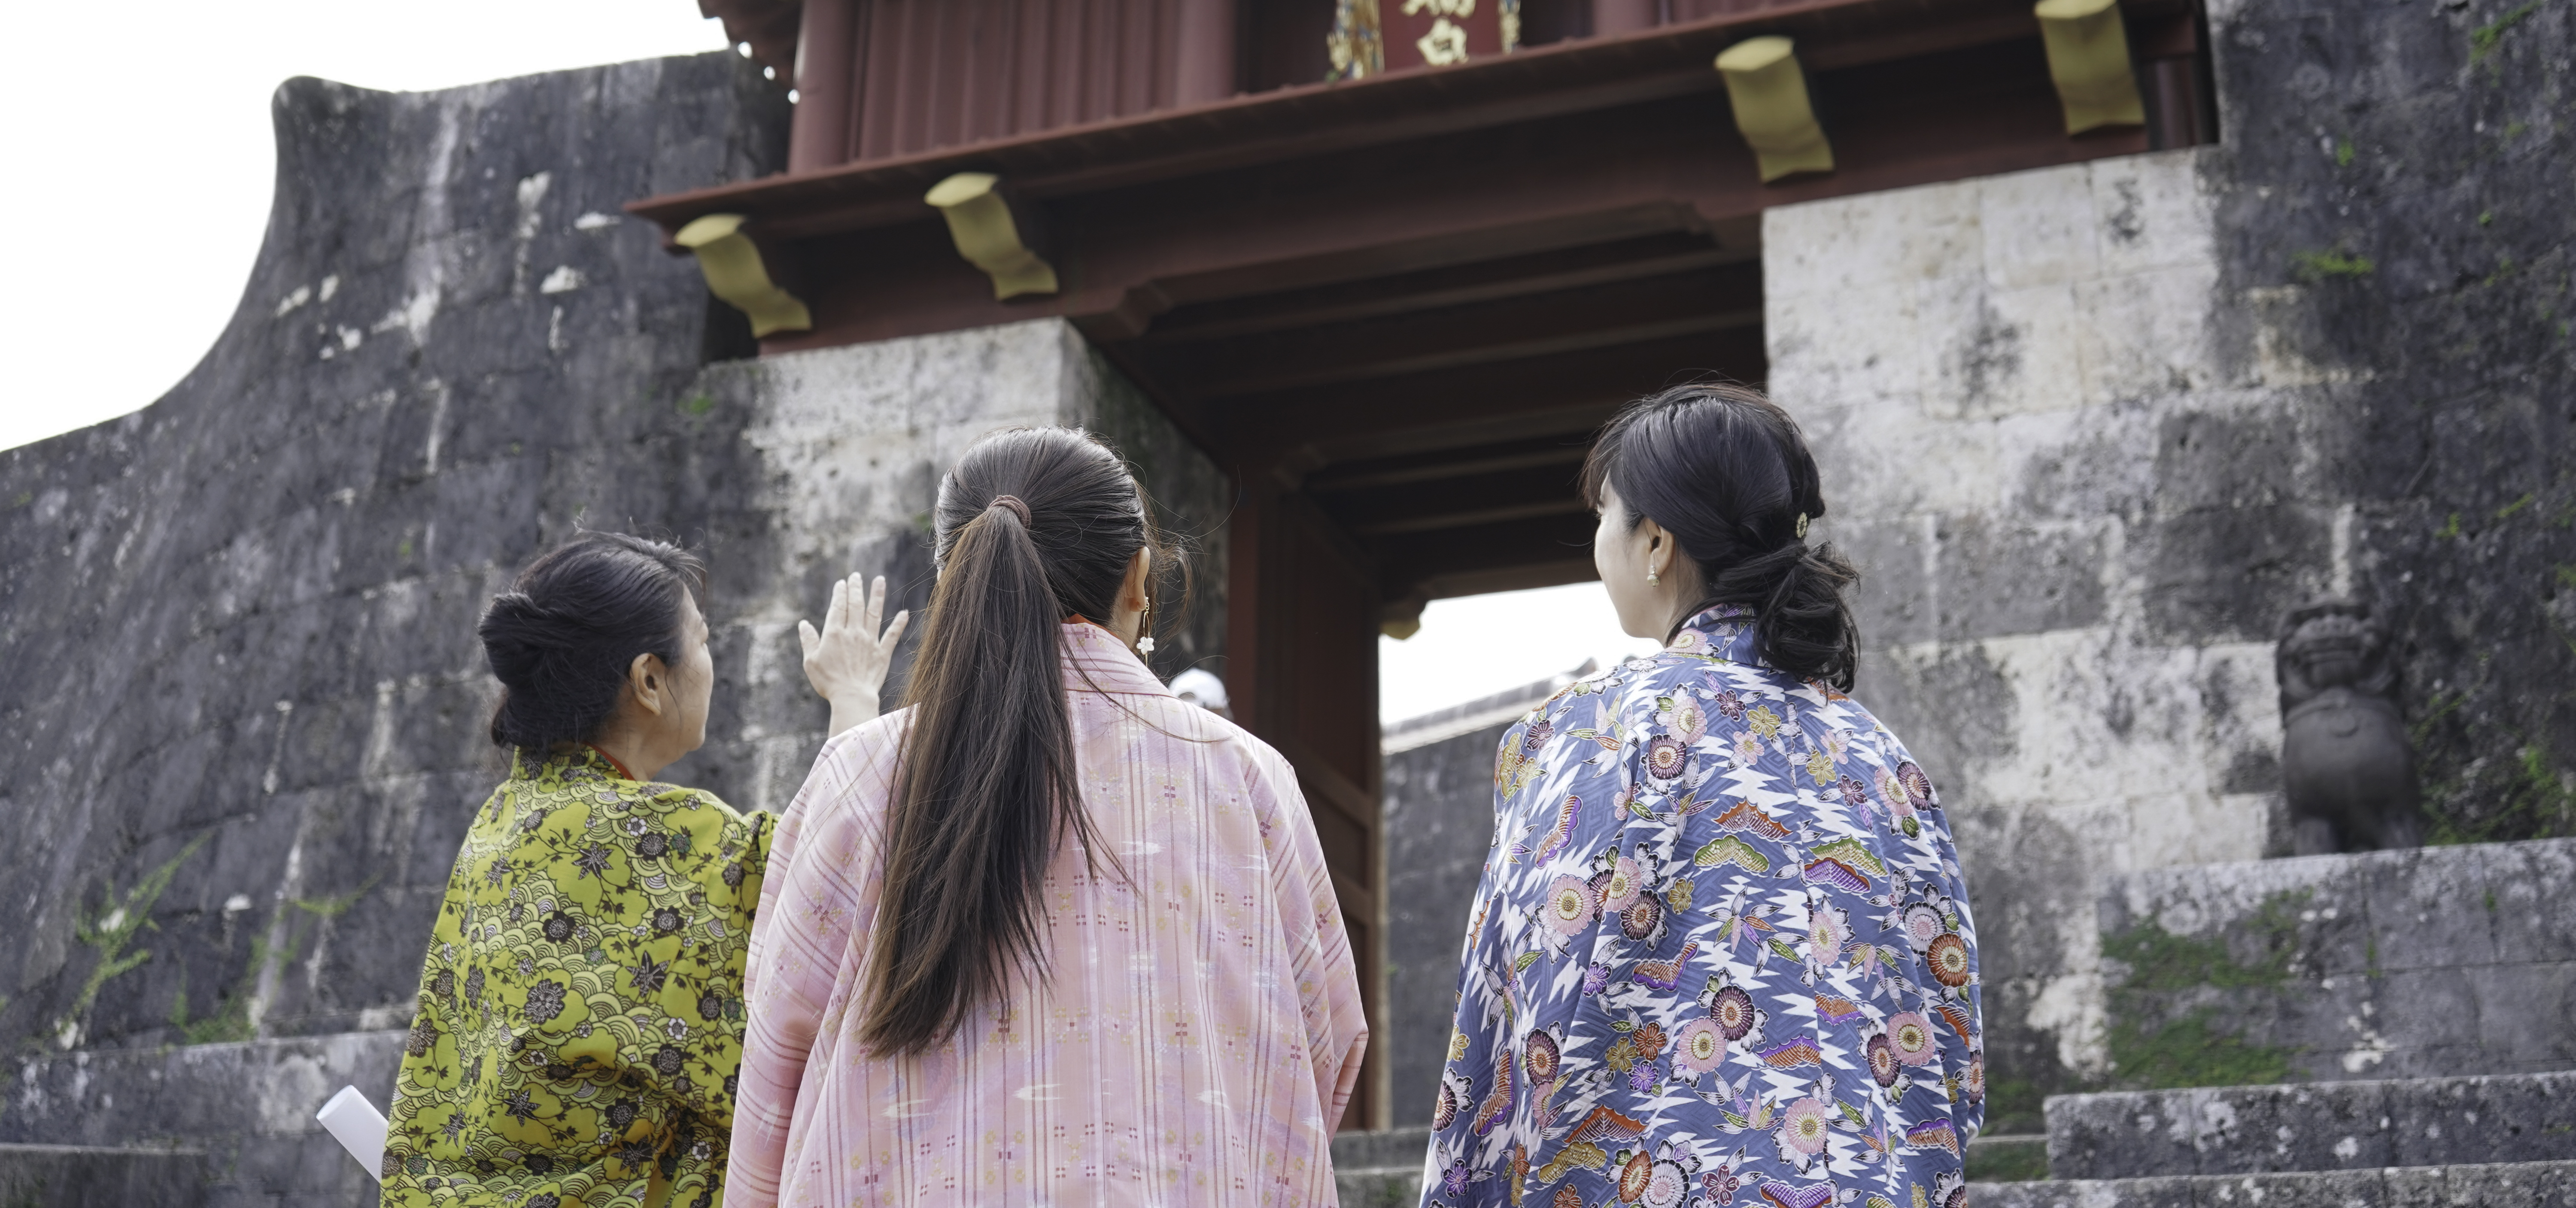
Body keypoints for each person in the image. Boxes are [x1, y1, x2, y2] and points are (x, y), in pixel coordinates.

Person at [729, 426, 1367, 1206]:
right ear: (1139, 580)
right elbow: (1324, 1041)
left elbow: (774, 1061)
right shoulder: (1248, 777)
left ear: (950, 581)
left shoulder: (862, 773)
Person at [1422, 383, 1983, 1208]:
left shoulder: (1594, 731)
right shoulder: (1884, 760)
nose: (1598, 543)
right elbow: (1950, 1035)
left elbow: (1517, 1016)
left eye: (1605, 515)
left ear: (1655, 540)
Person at [381, 532, 907, 1207]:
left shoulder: (500, 826)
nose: (713, 664)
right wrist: (853, 695)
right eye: (705, 641)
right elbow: (826, 899)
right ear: (650, 680)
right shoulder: (663, 840)